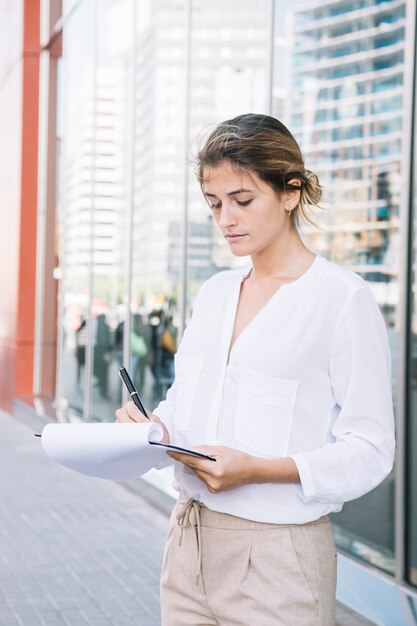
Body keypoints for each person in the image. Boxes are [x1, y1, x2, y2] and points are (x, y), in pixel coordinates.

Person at [115, 113, 395, 625]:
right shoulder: (216, 292)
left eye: (242, 201)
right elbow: (187, 402)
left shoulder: (340, 299)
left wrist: (261, 469)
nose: (226, 219)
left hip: (278, 559)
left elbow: (371, 452)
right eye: (214, 204)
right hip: (187, 543)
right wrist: (153, 429)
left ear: (290, 192)